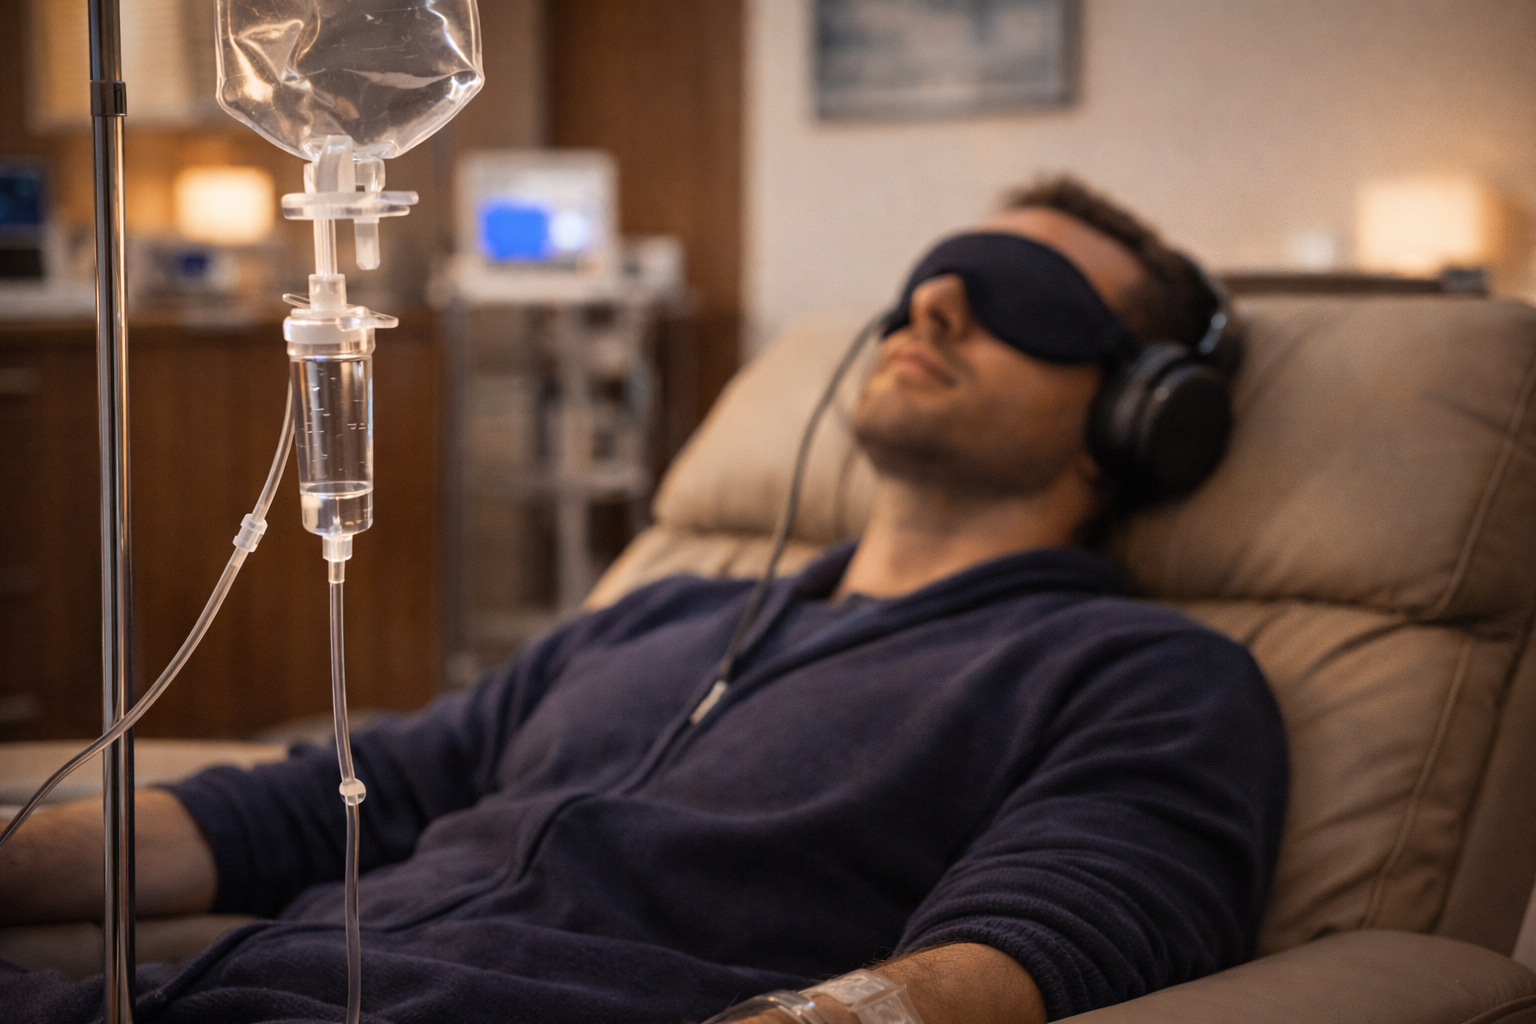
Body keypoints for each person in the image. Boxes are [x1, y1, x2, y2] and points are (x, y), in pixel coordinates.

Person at [0, 177, 1287, 1024]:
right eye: (937, 272)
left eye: (1019, 297)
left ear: (1138, 415)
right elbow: (334, 793)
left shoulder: (1136, 672)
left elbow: (1048, 938)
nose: (934, 301)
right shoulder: (663, 613)